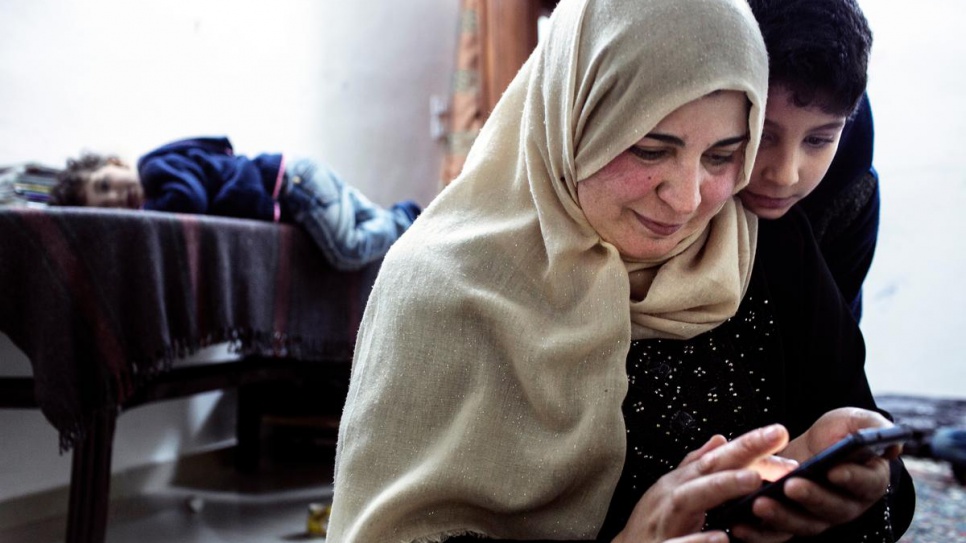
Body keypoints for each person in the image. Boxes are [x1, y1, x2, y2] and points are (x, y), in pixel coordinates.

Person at [327, 0, 914, 541]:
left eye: (722, 155)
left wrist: (858, 489)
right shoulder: (442, 287)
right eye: (651, 150)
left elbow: (883, 482)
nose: (687, 200)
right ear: (574, 119)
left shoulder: (764, 244)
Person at [48, 136, 421, 271]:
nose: (117, 198)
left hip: (293, 183)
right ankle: (405, 229)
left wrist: (145, 215)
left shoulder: (154, 168)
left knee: (347, 250)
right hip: (296, 189)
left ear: (115, 165)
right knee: (367, 227)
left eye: (106, 185)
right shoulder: (156, 187)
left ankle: (405, 216)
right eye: (108, 208)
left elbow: (189, 199)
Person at [742, 0, 878, 320]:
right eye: (762, 135)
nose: (785, 175)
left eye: (817, 140)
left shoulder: (853, 195)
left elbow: (837, 347)